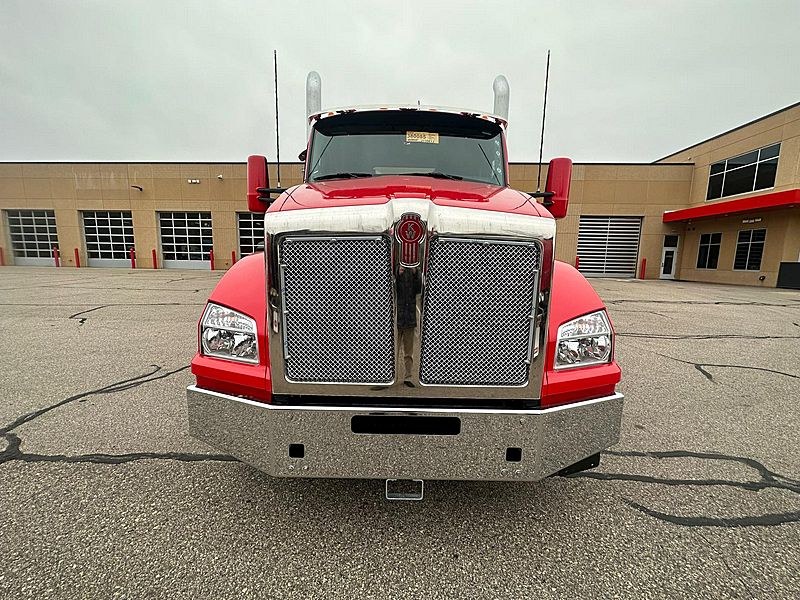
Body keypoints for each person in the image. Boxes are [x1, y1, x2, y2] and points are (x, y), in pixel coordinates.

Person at [396, 265, 422, 387]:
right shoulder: (395, 270)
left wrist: (415, 274)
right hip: (397, 316)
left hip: (410, 316)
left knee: (409, 351)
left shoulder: (416, 271)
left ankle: (408, 376)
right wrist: (398, 274)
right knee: (393, 351)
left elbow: (420, 290)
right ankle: (392, 375)